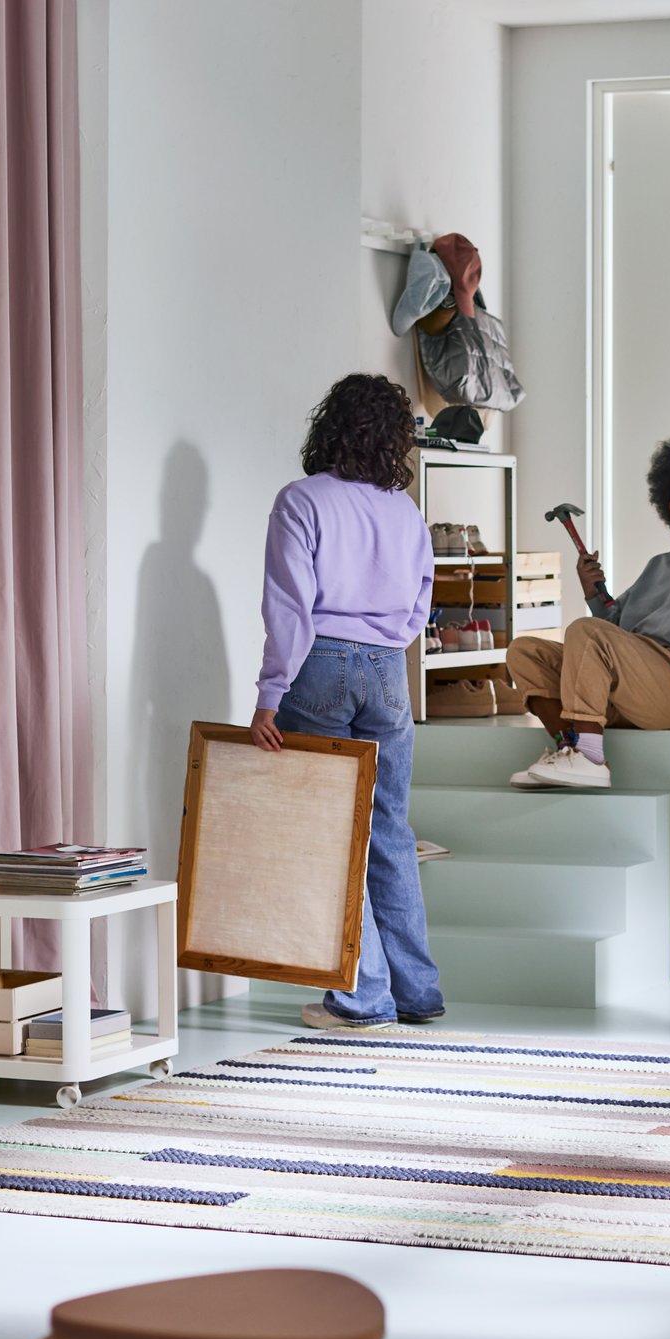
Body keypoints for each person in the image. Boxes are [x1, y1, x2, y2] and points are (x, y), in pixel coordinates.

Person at [250, 373, 443, 1029]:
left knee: (331, 836)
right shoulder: (405, 513)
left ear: (329, 427)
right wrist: (382, 644)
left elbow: (290, 607)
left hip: (320, 666)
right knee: (387, 830)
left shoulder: (302, 500)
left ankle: (363, 996)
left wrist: (272, 692)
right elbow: (420, 605)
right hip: (391, 670)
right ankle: (416, 991)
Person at [506, 431, 670, 790]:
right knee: (525, 651)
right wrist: (593, 593)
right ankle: (570, 750)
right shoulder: (660, 564)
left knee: (583, 631)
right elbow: (616, 631)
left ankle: (590, 758)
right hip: (631, 689)